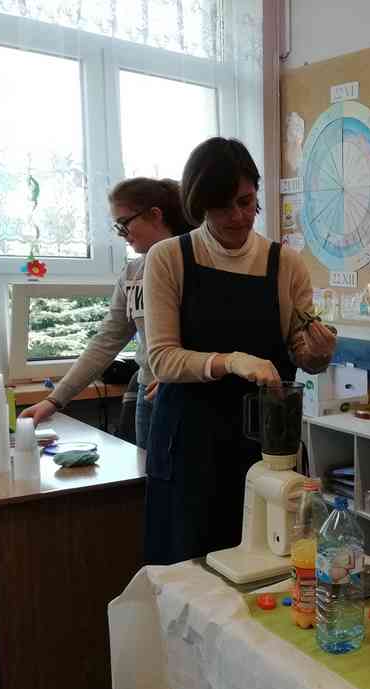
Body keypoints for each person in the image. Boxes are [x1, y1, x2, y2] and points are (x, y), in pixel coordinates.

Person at [143, 137, 336, 565]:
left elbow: (302, 355)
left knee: (272, 562)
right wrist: (231, 361)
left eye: (247, 202)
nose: (238, 216)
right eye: (223, 206)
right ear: (200, 205)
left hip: (266, 444)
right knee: (189, 568)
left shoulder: (286, 264)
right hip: (190, 443)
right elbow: (163, 358)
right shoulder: (169, 258)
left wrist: (319, 353)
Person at [20, 178, 192, 449]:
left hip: (188, 393)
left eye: (124, 223)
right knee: (148, 472)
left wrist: (182, 375)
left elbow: (216, 329)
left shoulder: (194, 262)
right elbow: (106, 340)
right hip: (148, 395)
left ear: (155, 215)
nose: (121, 233)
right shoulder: (133, 273)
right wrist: (54, 399)